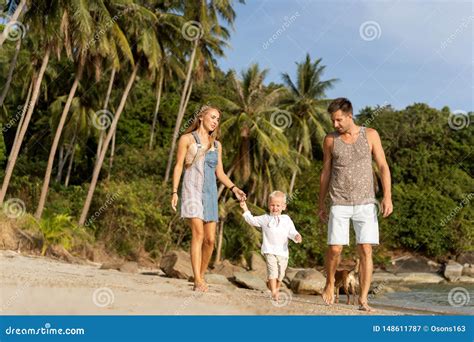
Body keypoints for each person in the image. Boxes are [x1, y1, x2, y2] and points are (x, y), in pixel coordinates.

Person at [318, 98, 393, 312]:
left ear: (350, 116)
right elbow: (325, 173)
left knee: (366, 249)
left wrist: (387, 197)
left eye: (339, 120)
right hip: (339, 200)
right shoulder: (330, 140)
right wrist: (321, 203)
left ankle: (363, 299)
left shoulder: (371, 135)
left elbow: (382, 166)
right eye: (333, 121)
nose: (335, 125)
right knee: (334, 249)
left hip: (366, 202)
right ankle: (330, 282)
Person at [171, 105, 246, 292]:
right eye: (212, 117)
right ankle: (197, 279)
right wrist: (174, 191)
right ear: (201, 117)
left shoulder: (216, 145)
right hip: (191, 190)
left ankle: (200, 275)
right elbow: (179, 166)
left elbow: (219, 172)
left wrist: (234, 188)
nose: (215, 121)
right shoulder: (186, 139)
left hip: (210, 194)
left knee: (210, 240)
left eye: (217, 119)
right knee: (198, 233)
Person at [239, 191, 302, 301]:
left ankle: (276, 287)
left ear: (284, 206)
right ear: (269, 205)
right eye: (272, 205)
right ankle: (274, 292)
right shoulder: (265, 218)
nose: (275, 208)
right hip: (269, 250)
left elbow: (291, 231)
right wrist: (245, 208)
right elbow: (252, 220)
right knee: (273, 271)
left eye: (278, 205)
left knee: (281, 273)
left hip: (283, 252)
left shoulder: (286, 219)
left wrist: (296, 236)